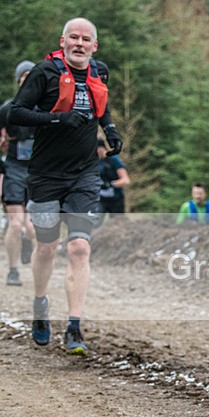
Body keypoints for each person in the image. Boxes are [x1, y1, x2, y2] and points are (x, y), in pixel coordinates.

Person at [8, 17, 123, 354]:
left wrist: (111, 129)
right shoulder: (45, 73)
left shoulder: (99, 71)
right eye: (73, 37)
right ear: (63, 41)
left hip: (85, 173)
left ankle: (74, 327)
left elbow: (103, 108)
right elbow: (16, 112)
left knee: (79, 248)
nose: (79, 43)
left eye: (86, 39)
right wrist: (57, 118)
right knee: (46, 248)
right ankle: (40, 304)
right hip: (45, 174)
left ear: (94, 46)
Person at [0, 60, 38, 286]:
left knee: (33, 228)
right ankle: (13, 270)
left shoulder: (46, 109)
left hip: (38, 172)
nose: (27, 80)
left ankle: (37, 271)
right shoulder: (7, 109)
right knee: (15, 223)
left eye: (31, 76)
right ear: (18, 80)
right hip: (14, 168)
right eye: (23, 76)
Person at [96, 138, 129, 222]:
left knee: (117, 223)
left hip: (116, 198)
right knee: (95, 222)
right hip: (100, 198)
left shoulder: (113, 159)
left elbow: (126, 180)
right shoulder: (95, 161)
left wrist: (111, 184)